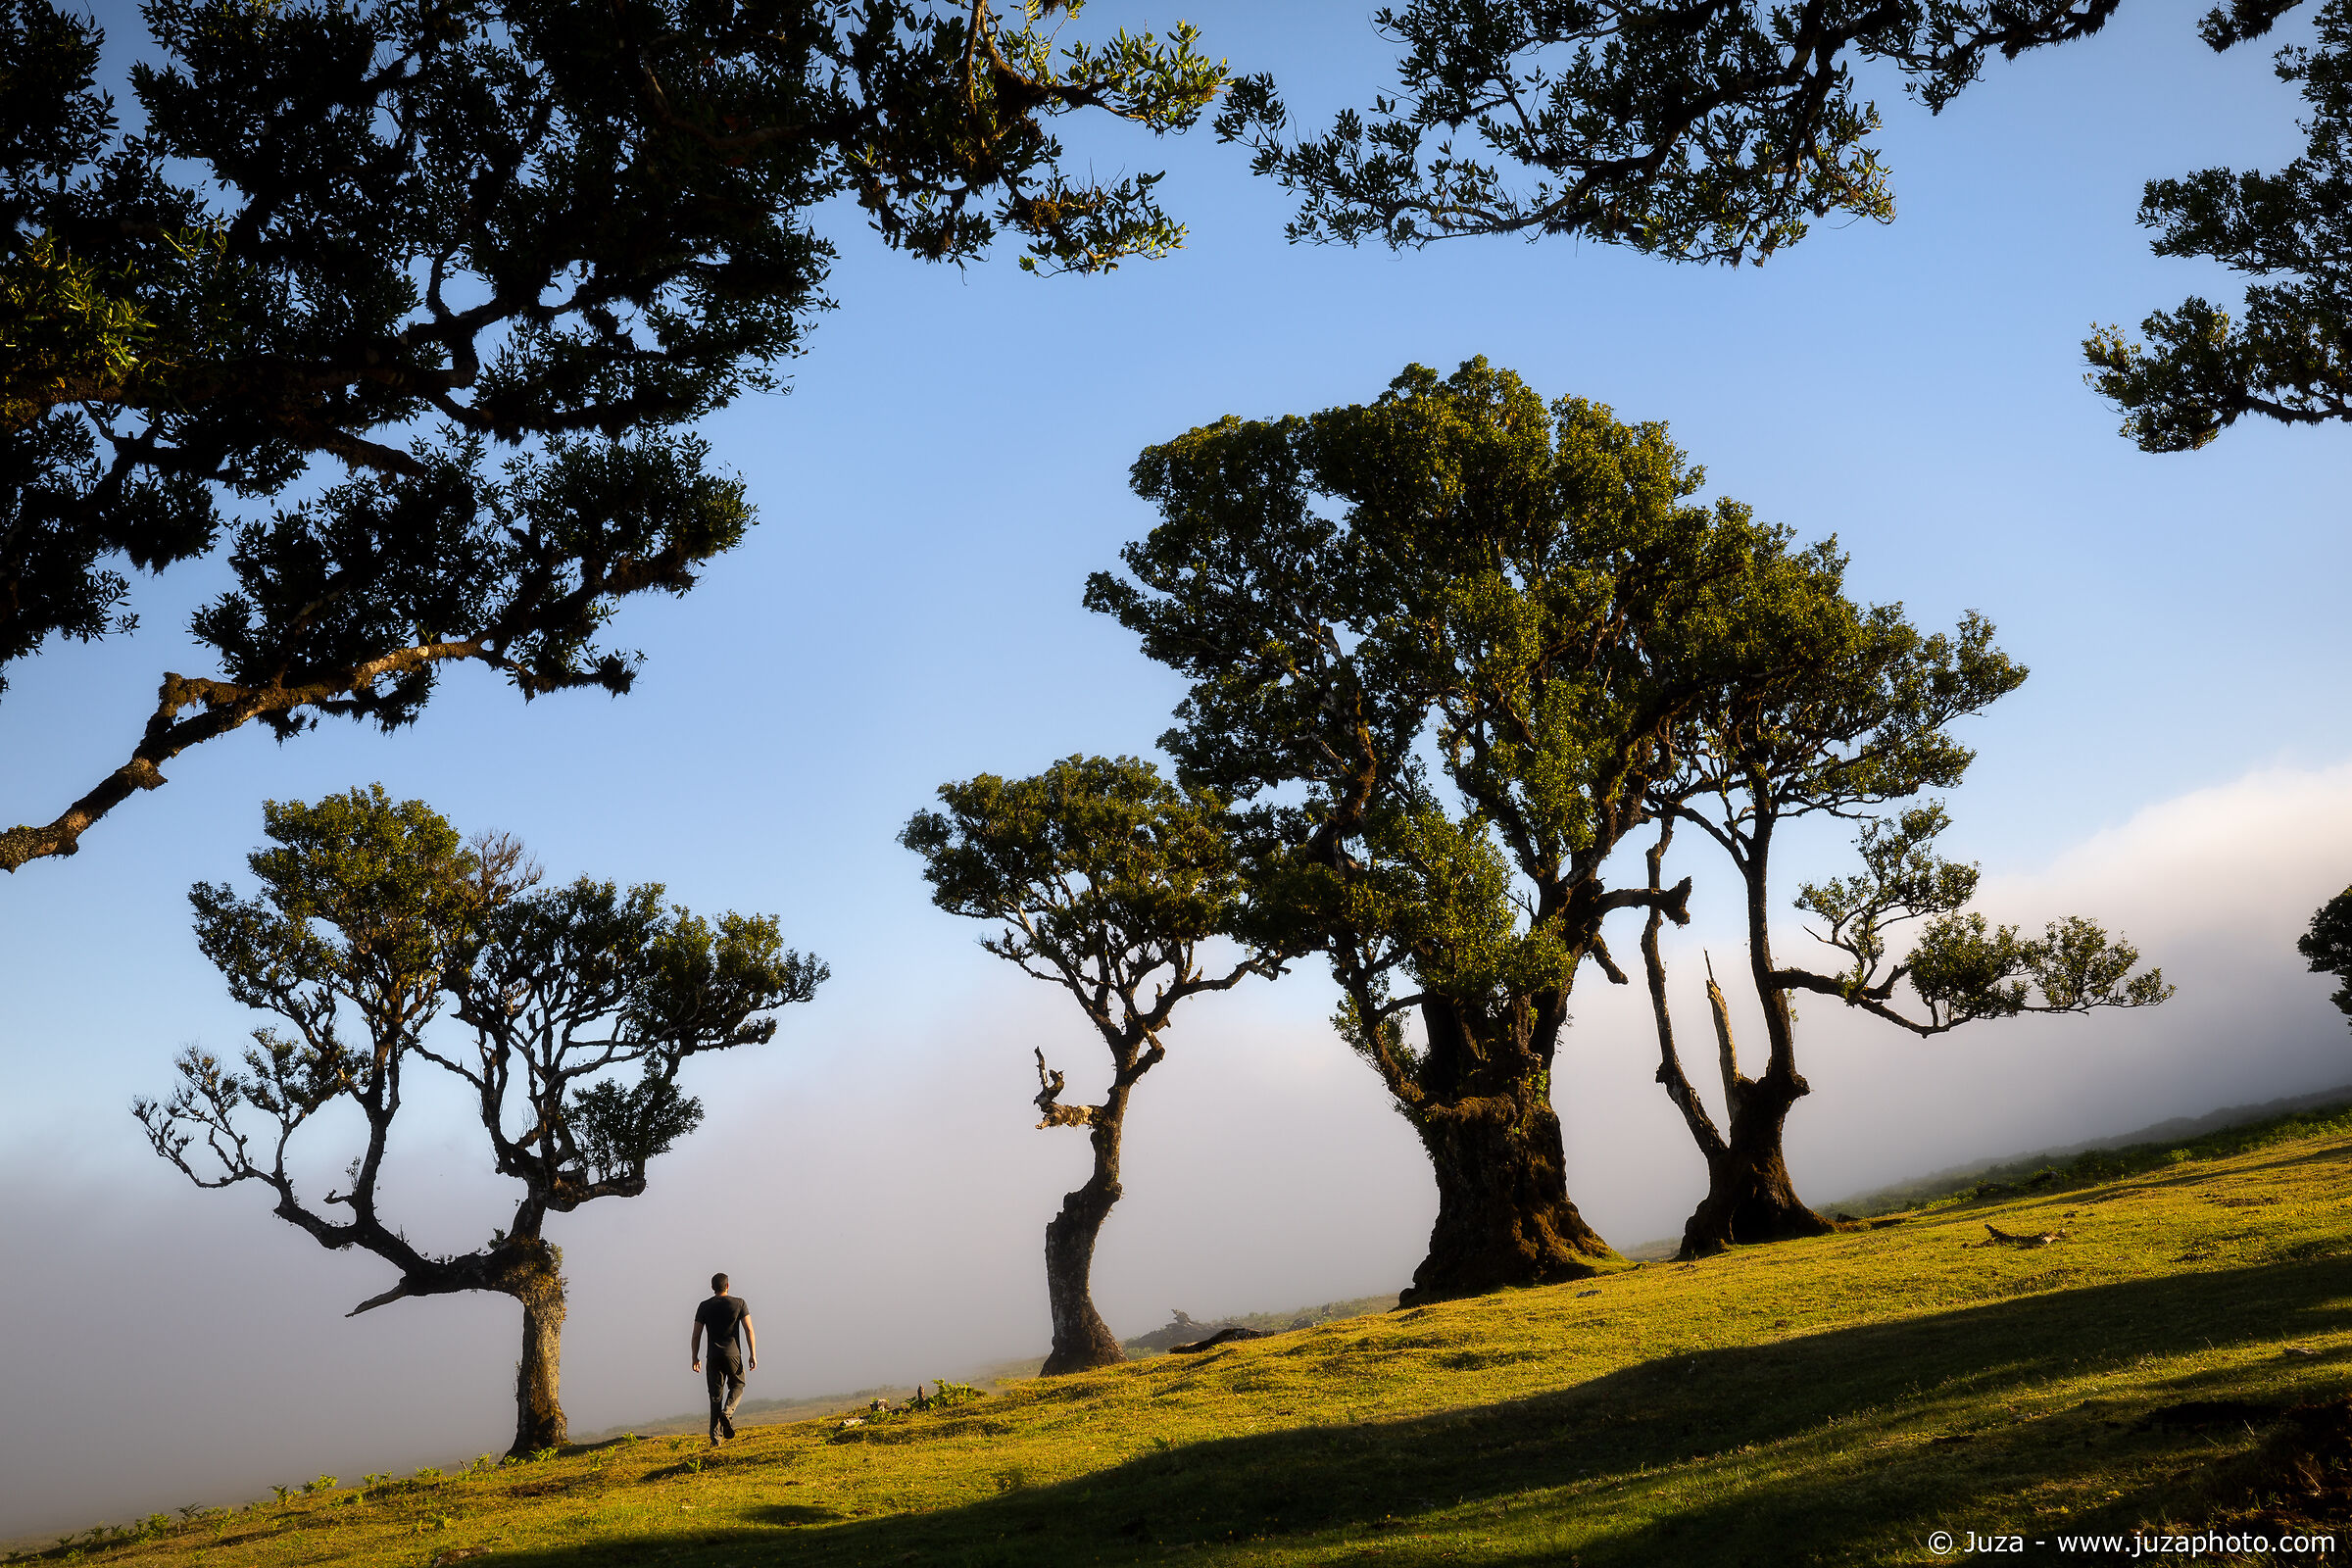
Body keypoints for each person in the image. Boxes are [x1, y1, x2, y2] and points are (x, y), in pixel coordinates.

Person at [689, 1271, 757, 1446]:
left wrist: (694, 1357)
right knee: (738, 1385)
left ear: (712, 1288)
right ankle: (727, 1413)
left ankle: (716, 1439)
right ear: (727, 1286)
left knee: (715, 1397)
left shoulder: (704, 1306)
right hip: (733, 1354)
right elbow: (749, 1330)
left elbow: (696, 1335)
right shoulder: (739, 1303)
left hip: (713, 1357)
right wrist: (752, 1354)